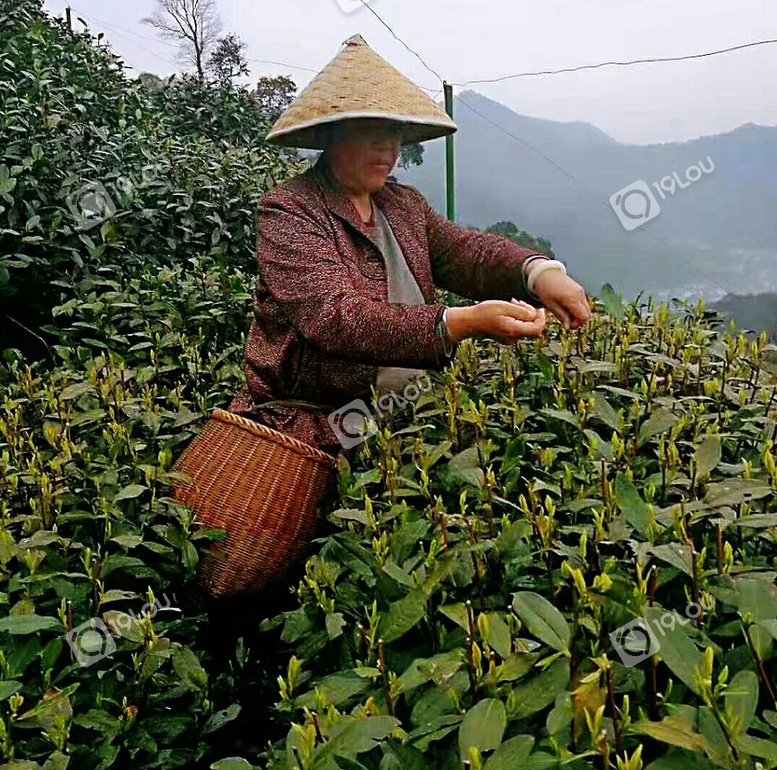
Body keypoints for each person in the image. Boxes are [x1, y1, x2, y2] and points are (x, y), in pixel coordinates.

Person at [229, 34, 592, 457]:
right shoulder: (291, 210)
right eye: (370, 131)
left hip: (408, 417)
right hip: (316, 429)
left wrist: (538, 272)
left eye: (395, 133)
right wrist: (457, 323)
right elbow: (334, 317)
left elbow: (469, 253)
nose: (388, 148)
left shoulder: (403, 205)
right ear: (330, 135)